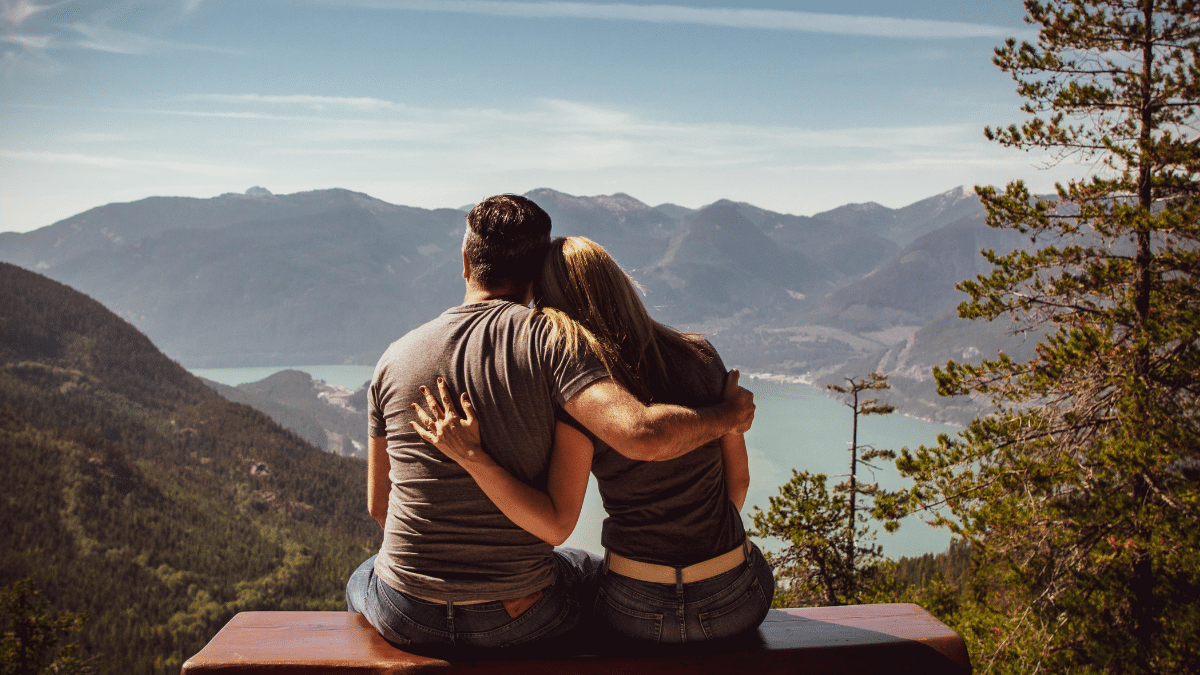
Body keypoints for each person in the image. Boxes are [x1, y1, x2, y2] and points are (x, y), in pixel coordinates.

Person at [346, 196, 756, 652]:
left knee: (364, 575)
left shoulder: (392, 358)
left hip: (407, 612)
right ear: (536, 271)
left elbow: (381, 508)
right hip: (519, 615)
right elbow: (637, 439)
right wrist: (726, 417)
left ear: (465, 262)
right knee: (580, 566)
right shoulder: (555, 345)